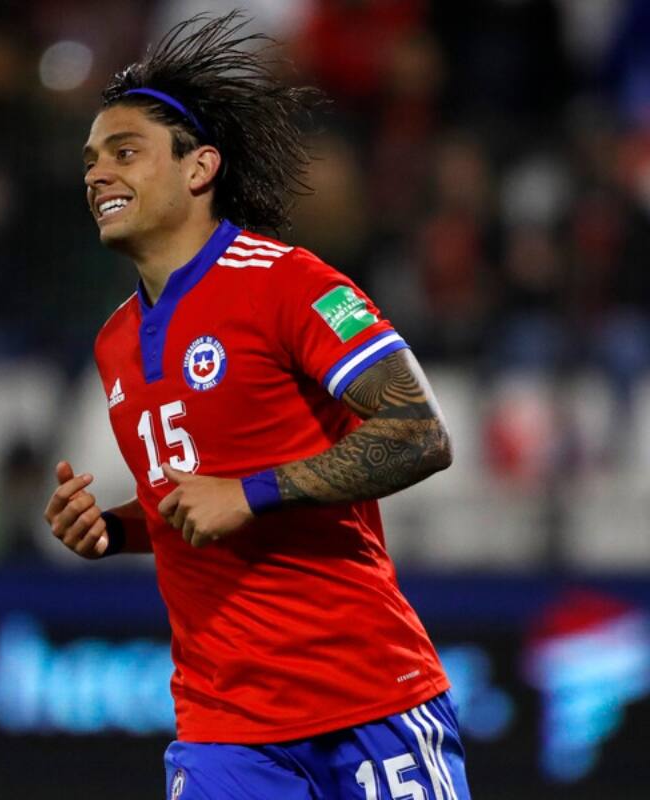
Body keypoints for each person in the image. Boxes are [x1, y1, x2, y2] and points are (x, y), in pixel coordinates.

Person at [43, 13, 470, 799]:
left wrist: (254, 493)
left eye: (126, 152)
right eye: (91, 159)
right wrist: (117, 528)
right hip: (224, 728)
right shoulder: (114, 344)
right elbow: (198, 500)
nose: (97, 174)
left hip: (366, 700)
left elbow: (420, 431)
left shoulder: (289, 283)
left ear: (200, 166)